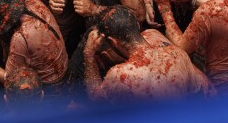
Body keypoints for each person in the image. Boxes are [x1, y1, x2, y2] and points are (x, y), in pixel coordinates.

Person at [84, 6, 213, 102]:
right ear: (137, 26)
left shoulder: (120, 75)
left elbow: (96, 98)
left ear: (113, 42)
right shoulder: (178, 55)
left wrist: (89, 53)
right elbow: (207, 88)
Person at [0, 0, 68, 98]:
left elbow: (9, 80)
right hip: (64, 68)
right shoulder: (33, 1)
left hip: (50, 89)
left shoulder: (20, 38)